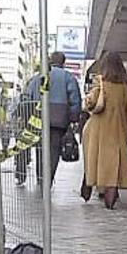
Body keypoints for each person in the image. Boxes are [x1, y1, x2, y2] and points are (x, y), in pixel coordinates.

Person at [81, 52, 127, 209]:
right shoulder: (126, 87)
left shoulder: (100, 82)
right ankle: (110, 198)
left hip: (97, 128)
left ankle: (88, 183)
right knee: (113, 164)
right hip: (117, 129)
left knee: (94, 158)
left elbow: (89, 103)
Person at [26, 51, 81, 185]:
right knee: (54, 151)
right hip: (59, 120)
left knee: (41, 150)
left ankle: (40, 177)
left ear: (50, 61)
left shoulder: (39, 77)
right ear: (63, 62)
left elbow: (28, 96)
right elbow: (75, 100)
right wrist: (73, 118)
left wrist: (27, 116)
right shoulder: (68, 77)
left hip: (39, 118)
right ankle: (48, 179)